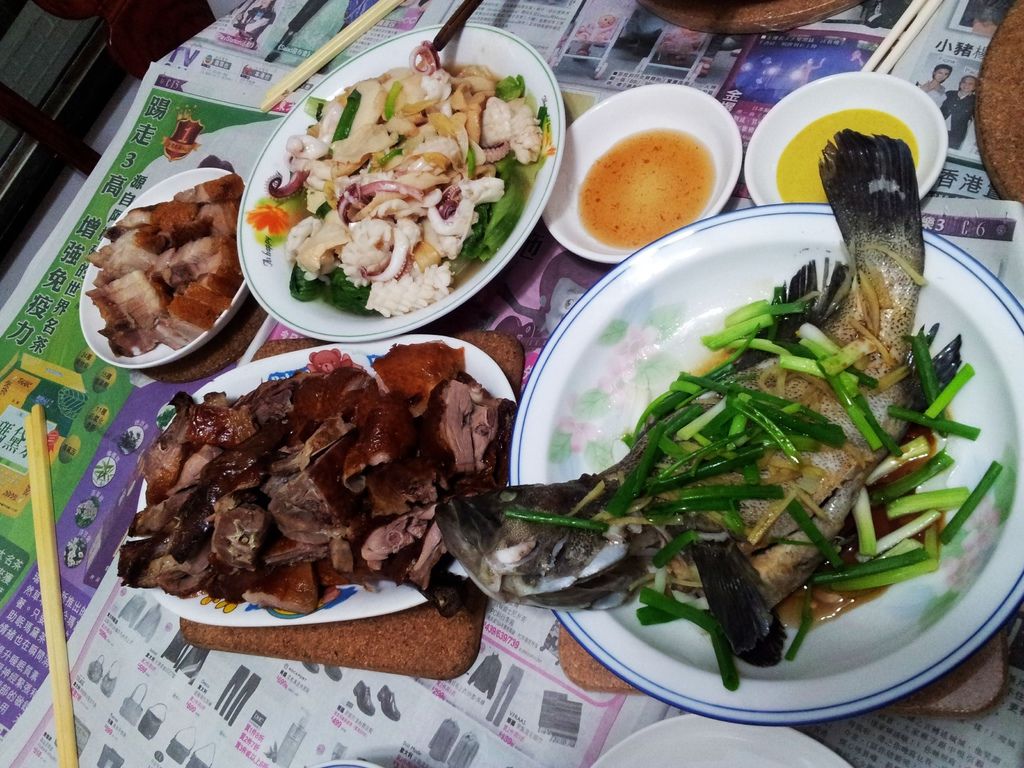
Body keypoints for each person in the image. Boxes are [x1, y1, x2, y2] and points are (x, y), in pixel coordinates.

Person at [941, 75, 978, 150]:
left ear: (975, 87)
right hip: (939, 127)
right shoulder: (949, 94)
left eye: (970, 84)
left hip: (955, 136)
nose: (966, 85)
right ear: (960, 84)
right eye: (964, 82)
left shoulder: (976, 102)